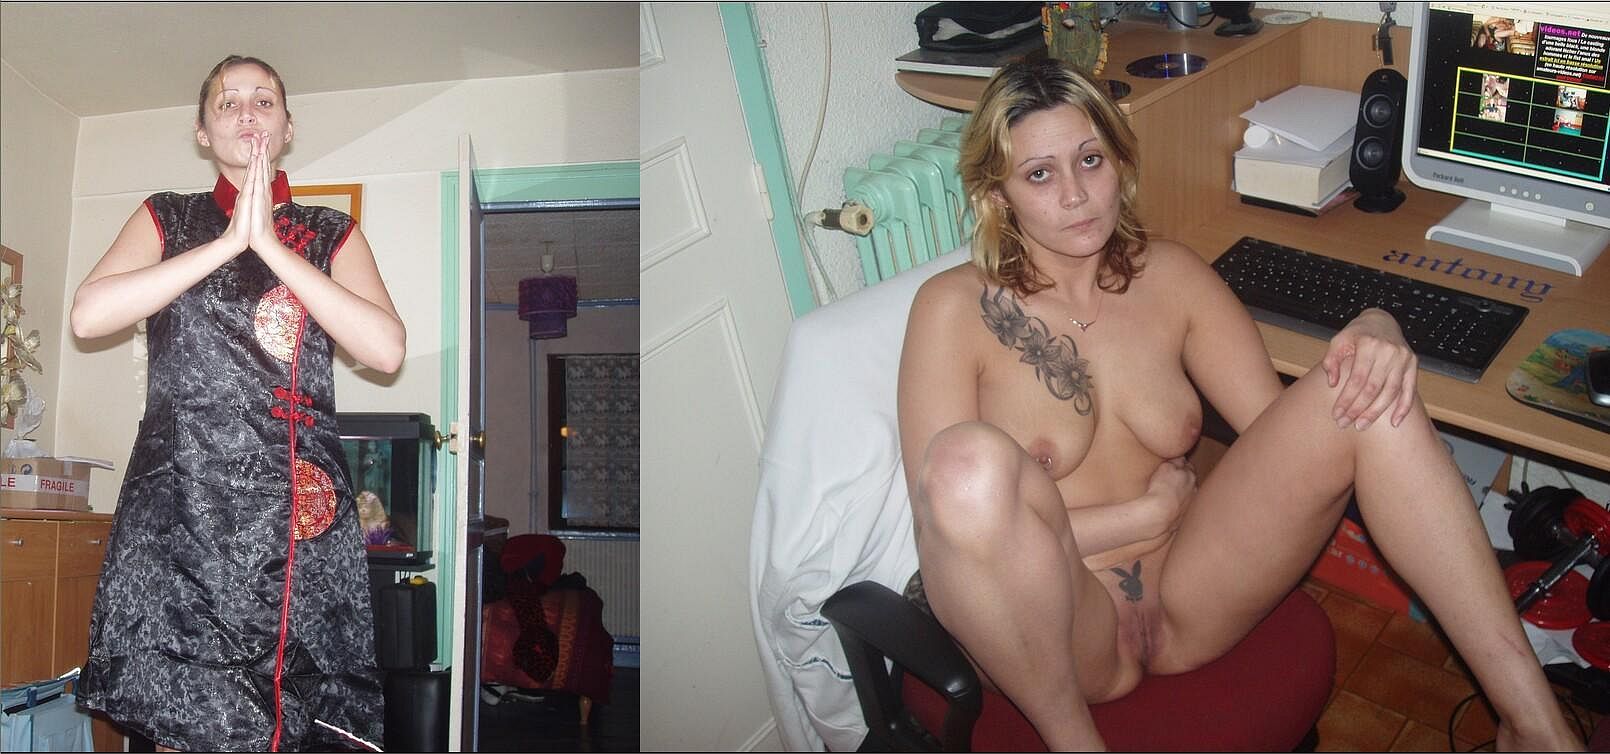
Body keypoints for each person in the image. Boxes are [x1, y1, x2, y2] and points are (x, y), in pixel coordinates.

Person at [897, 59, 1582, 751]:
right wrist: (1145, 515)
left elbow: (1289, 442)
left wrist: (1377, 324)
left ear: (1120, 162)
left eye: (1090, 160)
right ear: (998, 194)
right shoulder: (951, 311)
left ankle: (1535, 727)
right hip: (1062, 634)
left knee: (1365, 387)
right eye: (1040, 174)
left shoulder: (1174, 277)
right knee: (964, 466)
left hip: (1193, 597)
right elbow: (952, 538)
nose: (1076, 195)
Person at [71, 55, 405, 752]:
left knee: (287, 716)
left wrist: (271, 249)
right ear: (203, 132)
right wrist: (228, 244)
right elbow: (89, 315)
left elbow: (385, 349)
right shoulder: (166, 216)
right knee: (184, 711)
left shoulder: (331, 232)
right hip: (182, 504)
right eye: (228, 103)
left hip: (294, 515)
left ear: (287, 127)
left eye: (263, 101)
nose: (247, 112)